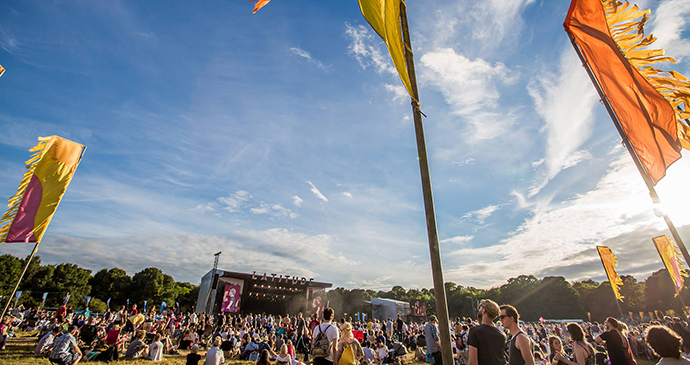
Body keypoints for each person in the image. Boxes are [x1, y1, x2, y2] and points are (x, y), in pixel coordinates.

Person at [468, 299, 506, 365]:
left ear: (484, 311)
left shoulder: (475, 332)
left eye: (481, 307)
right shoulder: (501, 335)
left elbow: (473, 362)